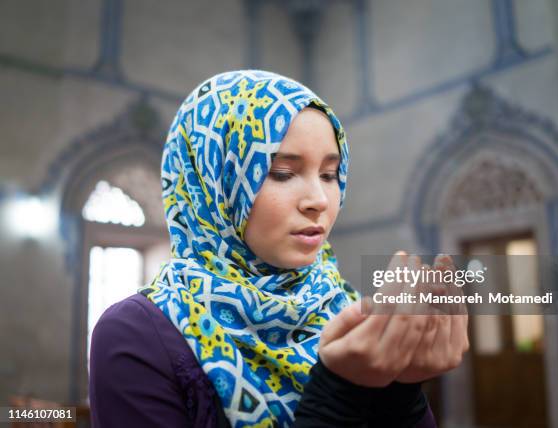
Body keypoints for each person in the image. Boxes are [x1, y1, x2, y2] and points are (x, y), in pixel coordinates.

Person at [89, 70, 468, 427]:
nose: (319, 199)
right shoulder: (135, 335)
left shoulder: (345, 309)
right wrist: (338, 392)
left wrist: (401, 391)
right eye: (282, 173)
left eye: (330, 175)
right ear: (214, 183)